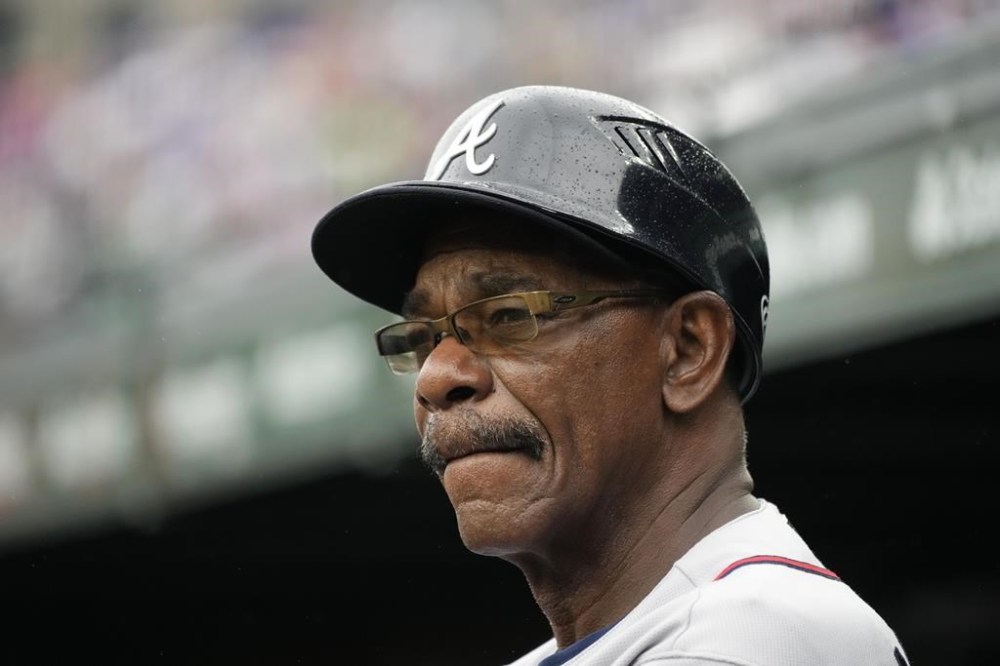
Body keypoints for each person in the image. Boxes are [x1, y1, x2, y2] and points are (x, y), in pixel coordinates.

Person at [310, 85, 910, 666]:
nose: (436, 376)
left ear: (689, 350)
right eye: (423, 338)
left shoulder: (751, 636)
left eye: (510, 315)